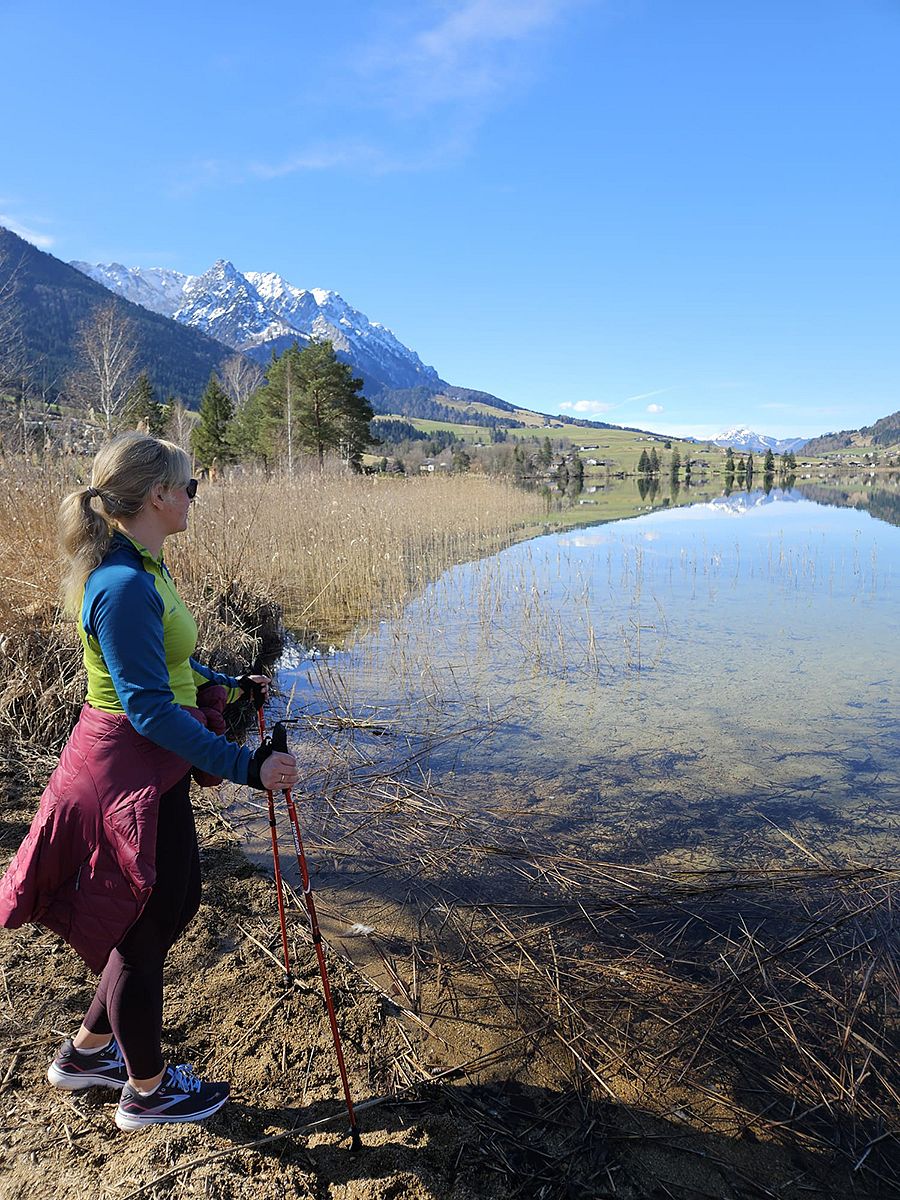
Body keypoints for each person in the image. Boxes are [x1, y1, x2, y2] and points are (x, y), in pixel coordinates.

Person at [0, 432, 298, 1132]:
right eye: (190, 487)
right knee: (146, 924)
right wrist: (246, 766)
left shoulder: (145, 567)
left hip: (147, 768)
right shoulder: (124, 584)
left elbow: (170, 668)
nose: (195, 498)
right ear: (159, 495)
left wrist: (228, 683)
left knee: (175, 903)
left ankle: (87, 1054)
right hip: (122, 773)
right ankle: (147, 1091)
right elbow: (146, 706)